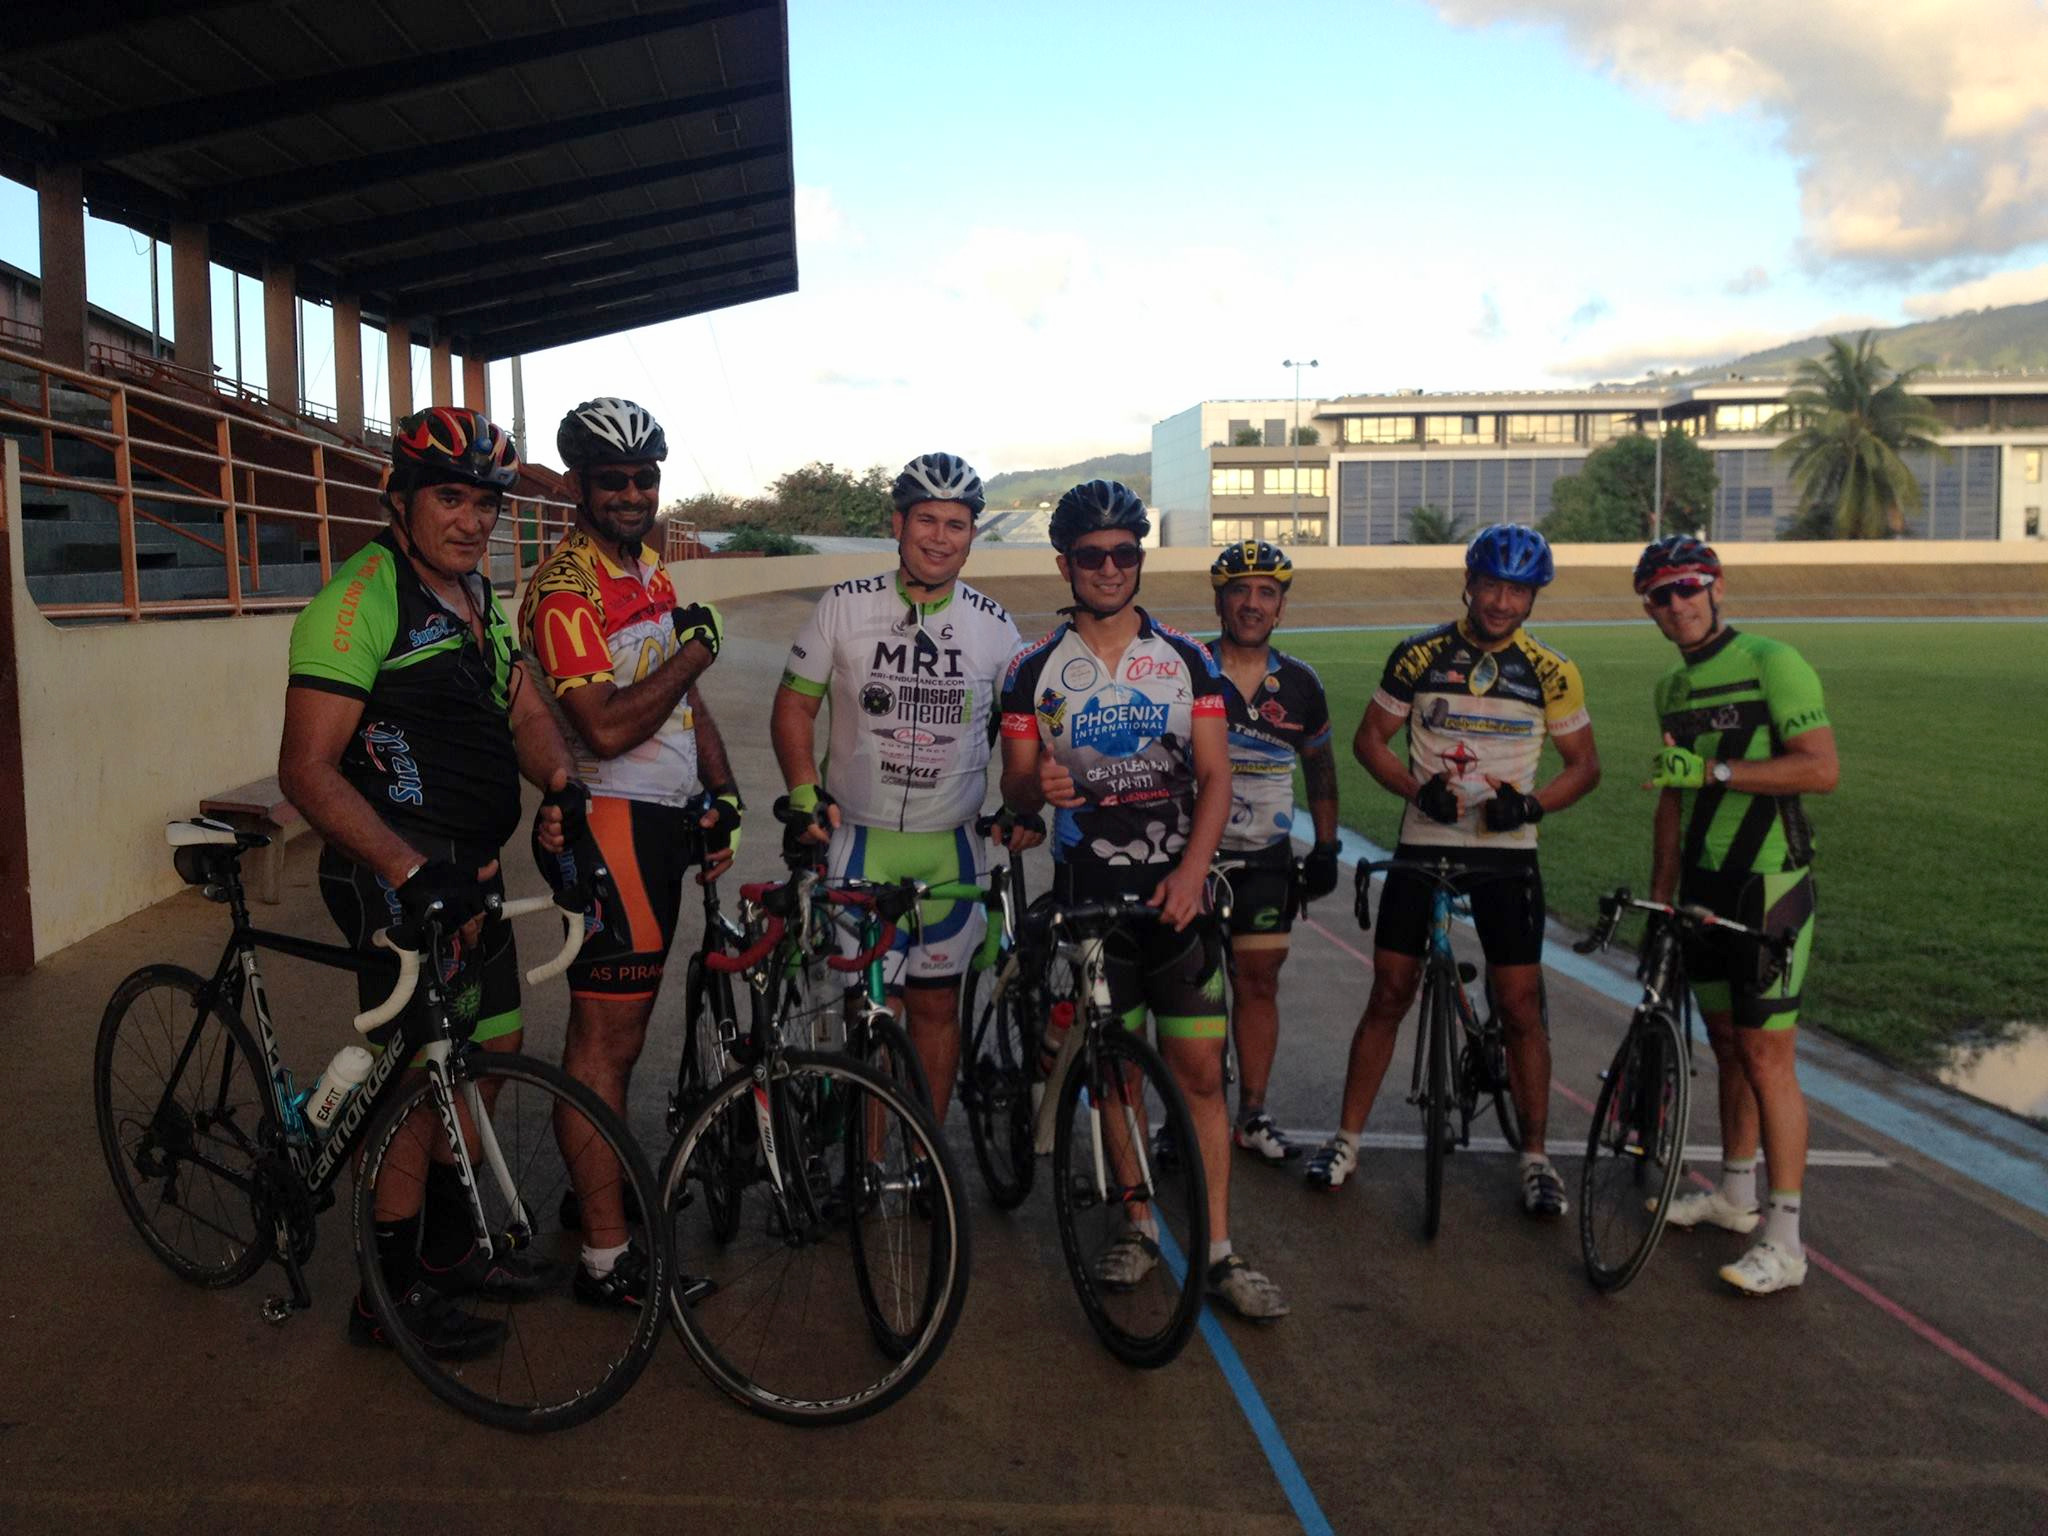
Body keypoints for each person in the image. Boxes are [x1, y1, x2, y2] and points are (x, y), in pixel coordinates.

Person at [280, 405, 580, 1358]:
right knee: (421, 1076)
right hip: (394, 874)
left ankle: (450, 1250)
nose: (474, 519)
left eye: (486, 502)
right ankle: (387, 1293)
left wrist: (563, 784)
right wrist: (410, 870)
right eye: (451, 498)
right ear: (400, 501)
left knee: (486, 1051)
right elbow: (307, 769)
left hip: (467, 873)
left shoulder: (475, 599)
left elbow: (523, 702)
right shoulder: (362, 599)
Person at [1000, 480, 1288, 1320]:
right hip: (1093, 904)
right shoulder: (1032, 669)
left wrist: (1195, 873)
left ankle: (1222, 1249)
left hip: (1177, 901)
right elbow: (1018, 793)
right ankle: (1135, 1223)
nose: (1110, 568)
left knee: (1200, 1073)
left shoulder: (1188, 660)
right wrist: (1035, 784)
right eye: (1092, 556)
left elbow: (1216, 774)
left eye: (1125, 552)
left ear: (1140, 559)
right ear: (1066, 564)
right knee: (1117, 1075)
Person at [1306, 524, 1600, 1220]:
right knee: (1389, 994)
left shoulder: (1552, 671)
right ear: (1468, 582)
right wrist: (1416, 790)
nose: (1502, 602)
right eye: (1492, 585)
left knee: (1520, 1006)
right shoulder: (1419, 655)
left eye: (1518, 591)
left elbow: (1585, 766)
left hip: (1508, 854)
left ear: (1533, 599)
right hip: (1425, 843)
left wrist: (1531, 804)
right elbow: (1368, 740)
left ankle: (1534, 1157)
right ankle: (1346, 1140)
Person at [518, 397, 735, 1308]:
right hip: (609, 823)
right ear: (577, 486)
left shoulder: (646, 565)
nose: (634, 494)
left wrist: (718, 791)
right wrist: (694, 655)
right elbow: (604, 727)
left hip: (661, 823)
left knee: (625, 1032)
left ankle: (591, 1193)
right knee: (602, 1044)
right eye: (614, 481)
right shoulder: (567, 588)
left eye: (646, 478)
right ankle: (606, 1260)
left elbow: (682, 700)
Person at [770, 452, 1036, 1122]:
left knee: (936, 1006)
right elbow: (794, 706)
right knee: (864, 1007)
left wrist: (1023, 800)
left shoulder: (994, 625)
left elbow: (1021, 730)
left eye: (956, 523)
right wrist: (804, 792)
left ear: (973, 533)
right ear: (898, 522)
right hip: (859, 839)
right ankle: (870, 1160)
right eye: (927, 520)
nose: (940, 537)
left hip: (950, 845)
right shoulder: (845, 605)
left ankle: (926, 1157)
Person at [1636, 535, 1838, 1296]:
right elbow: (1671, 794)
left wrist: (1719, 767)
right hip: (1701, 889)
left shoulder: (1771, 661)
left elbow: (1821, 768)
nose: (1677, 604)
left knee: (1766, 1058)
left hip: (1768, 885)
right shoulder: (1672, 690)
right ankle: (1735, 1196)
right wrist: (1661, 893)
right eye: (1660, 595)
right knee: (1726, 1045)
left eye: (1688, 587)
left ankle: (1785, 1242)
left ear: (1716, 588)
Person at [1206, 540, 1341, 1163]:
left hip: (1266, 856)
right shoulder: (1187, 666)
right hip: (1193, 858)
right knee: (1195, 993)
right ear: (1221, 599)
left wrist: (1327, 848)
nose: (1252, 603)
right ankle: (1190, 1113)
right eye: (1240, 590)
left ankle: (1252, 1114)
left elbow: (1321, 770)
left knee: (1258, 984)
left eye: (1266, 593)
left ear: (1281, 607)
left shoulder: (1302, 682)